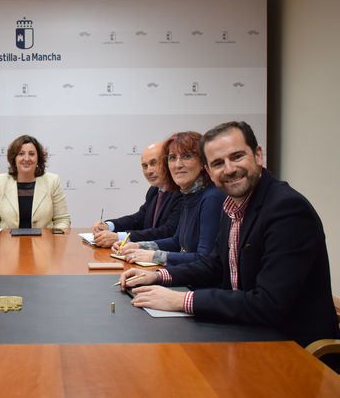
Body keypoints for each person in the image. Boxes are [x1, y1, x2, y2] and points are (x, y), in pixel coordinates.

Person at [119, 121, 339, 347]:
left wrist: (182, 300)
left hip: (292, 348)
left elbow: (269, 303)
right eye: (217, 163)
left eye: (237, 157)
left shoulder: (287, 209)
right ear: (209, 171)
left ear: (258, 155)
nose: (229, 169)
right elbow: (213, 265)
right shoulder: (232, 204)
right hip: (246, 331)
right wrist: (158, 276)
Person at [114, 132, 225, 266]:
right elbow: (176, 241)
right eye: (172, 158)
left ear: (203, 162)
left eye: (187, 156)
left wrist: (155, 256)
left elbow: (205, 259)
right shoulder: (189, 193)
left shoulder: (211, 198)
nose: (178, 164)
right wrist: (138, 246)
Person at [91, 142, 182, 247]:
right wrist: (108, 226)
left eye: (154, 163)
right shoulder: (154, 190)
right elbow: (138, 219)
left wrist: (120, 237)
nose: (149, 171)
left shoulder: (180, 191)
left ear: (167, 162)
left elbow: (167, 231)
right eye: (145, 166)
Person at [0, 135, 71, 229]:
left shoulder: (52, 181)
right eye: (21, 154)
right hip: (8, 242)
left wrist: (52, 239)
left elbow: (62, 220)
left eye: (31, 154)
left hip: (44, 242)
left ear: (38, 158)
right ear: (14, 158)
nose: (26, 158)